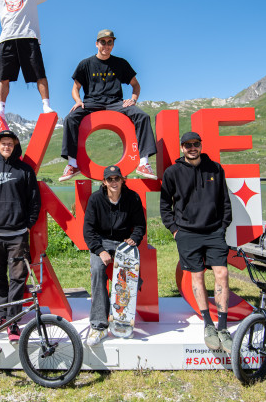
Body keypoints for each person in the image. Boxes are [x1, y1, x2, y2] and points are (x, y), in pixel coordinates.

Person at [160, 131, 233, 353]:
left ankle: (222, 326)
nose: (192, 148)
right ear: (182, 148)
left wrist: (222, 227)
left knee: (222, 273)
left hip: (213, 232)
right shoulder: (172, 172)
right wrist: (175, 231)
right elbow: (165, 205)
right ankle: (208, 325)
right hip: (187, 234)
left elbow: (225, 202)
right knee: (197, 275)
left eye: (195, 144)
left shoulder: (215, 169)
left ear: (201, 145)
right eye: (187, 145)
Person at [59, 30, 158, 181]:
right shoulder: (85, 64)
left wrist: (133, 99)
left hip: (115, 103)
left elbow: (136, 85)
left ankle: (143, 163)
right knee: (70, 118)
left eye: (109, 42)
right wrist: (78, 101)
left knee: (142, 116)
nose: (106, 45)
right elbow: (75, 88)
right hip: (91, 102)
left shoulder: (121, 63)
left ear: (113, 44)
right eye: (103, 42)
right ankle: (72, 165)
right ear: (96, 44)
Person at [0, 130, 41, 342]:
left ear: (15, 146)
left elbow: (34, 200)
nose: (6, 147)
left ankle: (13, 322)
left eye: (10, 144)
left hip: (17, 235)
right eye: (3, 143)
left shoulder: (25, 171)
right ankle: (0, 316)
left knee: (17, 278)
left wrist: (28, 224)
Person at [83, 165, 146, 346]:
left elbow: (140, 226)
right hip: (101, 242)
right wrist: (100, 250)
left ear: (122, 180)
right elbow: (88, 230)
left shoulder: (132, 197)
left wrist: (134, 239)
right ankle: (98, 324)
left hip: (123, 242)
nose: (113, 182)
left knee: (130, 277)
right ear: (104, 182)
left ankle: (122, 320)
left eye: (116, 178)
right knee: (97, 270)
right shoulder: (95, 199)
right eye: (109, 179)